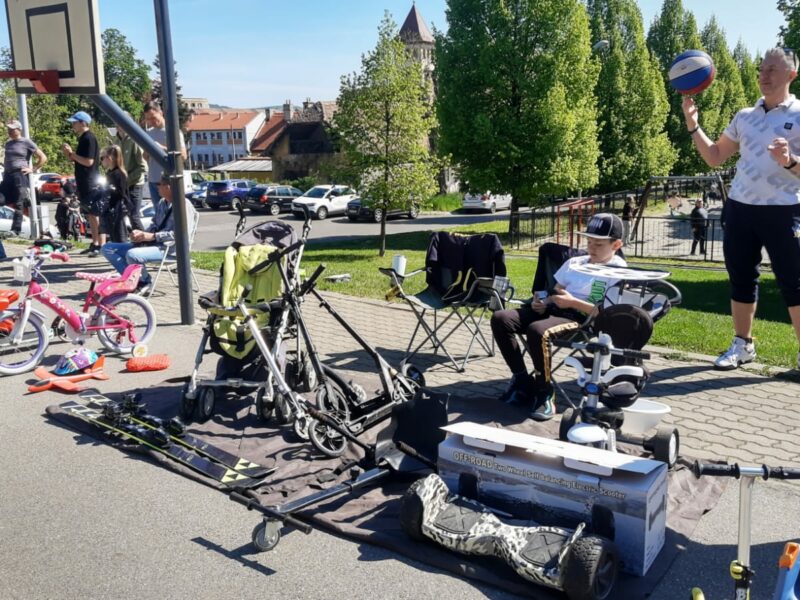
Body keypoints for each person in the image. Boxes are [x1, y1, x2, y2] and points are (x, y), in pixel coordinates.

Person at [682, 47, 800, 370]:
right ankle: (742, 345)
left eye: (773, 69)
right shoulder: (744, 116)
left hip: (784, 209)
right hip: (740, 208)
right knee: (742, 279)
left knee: (794, 281)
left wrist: (790, 160)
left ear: (792, 74)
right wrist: (694, 126)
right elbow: (716, 156)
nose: (764, 75)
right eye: (762, 69)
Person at [490, 213, 626, 421]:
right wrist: (542, 301)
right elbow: (555, 290)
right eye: (589, 242)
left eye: (598, 245)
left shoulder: (618, 271)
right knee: (501, 318)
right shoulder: (575, 262)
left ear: (616, 244)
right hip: (554, 310)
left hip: (581, 318)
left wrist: (573, 302)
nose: (591, 248)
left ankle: (544, 392)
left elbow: (607, 314)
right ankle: (521, 381)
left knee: (537, 331)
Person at [100, 172, 197, 296]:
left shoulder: (184, 206)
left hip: (170, 249)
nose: (157, 187)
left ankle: (144, 282)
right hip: (153, 244)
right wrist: (142, 235)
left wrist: (153, 236)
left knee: (132, 254)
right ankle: (131, 280)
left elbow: (182, 235)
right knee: (107, 248)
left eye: (159, 184)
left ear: (169, 187)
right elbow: (155, 225)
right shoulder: (162, 203)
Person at [62, 111, 102, 256]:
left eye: (75, 122)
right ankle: (94, 242)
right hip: (84, 181)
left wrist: (72, 154)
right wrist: (69, 154)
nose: (73, 125)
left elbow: (89, 161)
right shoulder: (83, 138)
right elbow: (79, 160)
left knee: (95, 213)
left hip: (90, 181)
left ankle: (100, 245)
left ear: (83, 123)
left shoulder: (89, 138)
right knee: (90, 214)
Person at [0, 119, 47, 235]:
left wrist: (33, 169)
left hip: (19, 174)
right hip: (8, 174)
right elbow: (6, 158)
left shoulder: (26, 142)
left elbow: (43, 157)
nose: (10, 131)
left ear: (19, 129)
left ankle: (16, 229)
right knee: (1, 198)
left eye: (12, 129)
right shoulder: (8, 143)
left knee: (18, 202)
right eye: (8, 129)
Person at [142, 100, 186, 205]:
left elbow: (183, 156)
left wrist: (161, 148)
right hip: (153, 181)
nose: (151, 121)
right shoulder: (148, 133)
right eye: (148, 119)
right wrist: (147, 152)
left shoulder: (173, 131)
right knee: (159, 216)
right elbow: (145, 157)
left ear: (160, 113)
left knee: (173, 215)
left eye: (153, 117)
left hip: (170, 183)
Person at [115, 114, 146, 230]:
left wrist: (128, 179)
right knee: (122, 214)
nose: (118, 125)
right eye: (117, 122)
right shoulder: (117, 140)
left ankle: (144, 243)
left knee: (134, 216)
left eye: (121, 122)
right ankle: (134, 241)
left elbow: (143, 167)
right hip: (123, 185)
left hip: (135, 185)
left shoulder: (134, 140)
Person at [100, 145, 132, 243]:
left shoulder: (119, 173)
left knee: (120, 236)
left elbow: (122, 193)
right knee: (114, 236)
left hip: (119, 208)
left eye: (102, 158)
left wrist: (109, 189)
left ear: (110, 158)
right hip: (112, 208)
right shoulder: (109, 173)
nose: (101, 161)